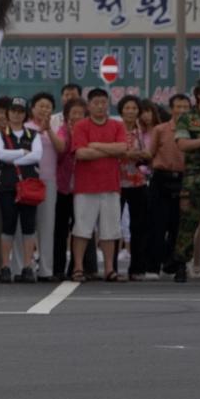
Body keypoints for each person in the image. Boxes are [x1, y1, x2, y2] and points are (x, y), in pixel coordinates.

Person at [70, 88, 127, 282]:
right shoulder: (81, 126)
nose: (101, 106)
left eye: (104, 102)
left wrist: (96, 145)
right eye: (96, 102)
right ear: (89, 105)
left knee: (111, 230)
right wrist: (109, 150)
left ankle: (109, 269)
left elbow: (122, 148)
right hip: (86, 186)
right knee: (82, 229)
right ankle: (78, 267)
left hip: (111, 185)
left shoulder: (116, 126)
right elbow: (81, 153)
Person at [0, 97, 42, 283]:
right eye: (13, 111)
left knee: (29, 227)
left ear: (24, 114)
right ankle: (5, 266)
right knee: (8, 226)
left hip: (29, 186)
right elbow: (0, 154)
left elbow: (37, 156)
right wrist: (22, 153)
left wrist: (13, 158)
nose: (16, 115)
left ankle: (27, 266)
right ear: (8, 113)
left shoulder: (33, 134)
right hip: (7, 186)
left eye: (20, 111)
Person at [174, 84, 200, 283]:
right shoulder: (188, 118)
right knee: (189, 223)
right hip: (195, 180)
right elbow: (182, 144)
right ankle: (181, 263)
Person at [149, 94, 189, 277]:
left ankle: (174, 264)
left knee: (178, 225)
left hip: (184, 180)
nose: (181, 110)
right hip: (161, 179)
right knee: (157, 224)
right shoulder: (160, 129)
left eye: (185, 107)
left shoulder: (194, 131)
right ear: (171, 108)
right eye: (178, 107)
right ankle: (153, 266)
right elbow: (150, 154)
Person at [48, 98, 88, 281]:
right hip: (63, 187)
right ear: (67, 115)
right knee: (61, 229)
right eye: (74, 113)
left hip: (83, 187)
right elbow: (62, 148)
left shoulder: (88, 130)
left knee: (80, 229)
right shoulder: (63, 129)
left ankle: (77, 267)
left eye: (81, 113)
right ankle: (58, 269)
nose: (77, 116)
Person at [116, 94, 153, 280]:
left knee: (139, 226)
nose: (131, 111)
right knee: (114, 226)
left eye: (134, 108)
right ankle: (111, 267)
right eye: (127, 108)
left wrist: (141, 154)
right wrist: (130, 153)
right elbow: (116, 151)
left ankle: (137, 267)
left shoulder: (143, 131)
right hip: (117, 181)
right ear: (121, 110)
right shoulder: (115, 128)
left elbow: (149, 153)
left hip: (139, 181)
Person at [28, 92, 59, 281]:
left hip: (49, 181)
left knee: (47, 226)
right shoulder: (26, 127)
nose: (44, 109)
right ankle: (26, 266)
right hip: (29, 181)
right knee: (27, 227)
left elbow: (62, 148)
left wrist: (49, 130)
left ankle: (46, 269)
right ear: (33, 108)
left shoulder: (56, 128)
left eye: (48, 106)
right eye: (41, 105)